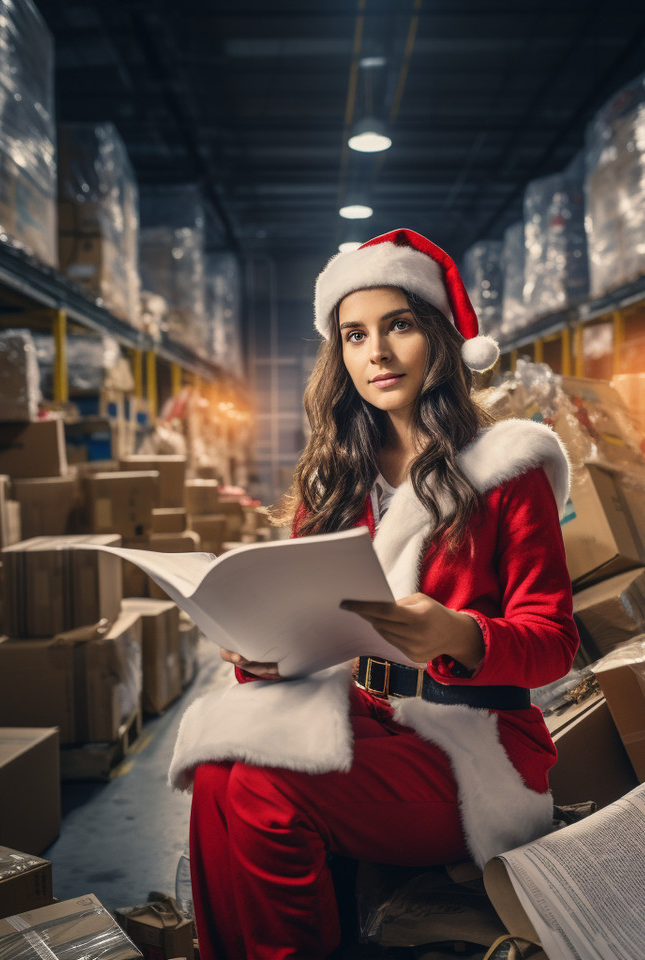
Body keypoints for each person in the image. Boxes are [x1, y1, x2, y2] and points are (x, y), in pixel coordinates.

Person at [169, 228, 580, 960]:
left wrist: (460, 634)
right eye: (355, 335)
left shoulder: (508, 470)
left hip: (471, 747)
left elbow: (553, 643)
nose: (378, 353)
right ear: (341, 356)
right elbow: (311, 633)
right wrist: (263, 650)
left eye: (399, 325)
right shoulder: (336, 481)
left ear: (442, 341)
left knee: (266, 789)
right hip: (357, 716)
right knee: (215, 775)